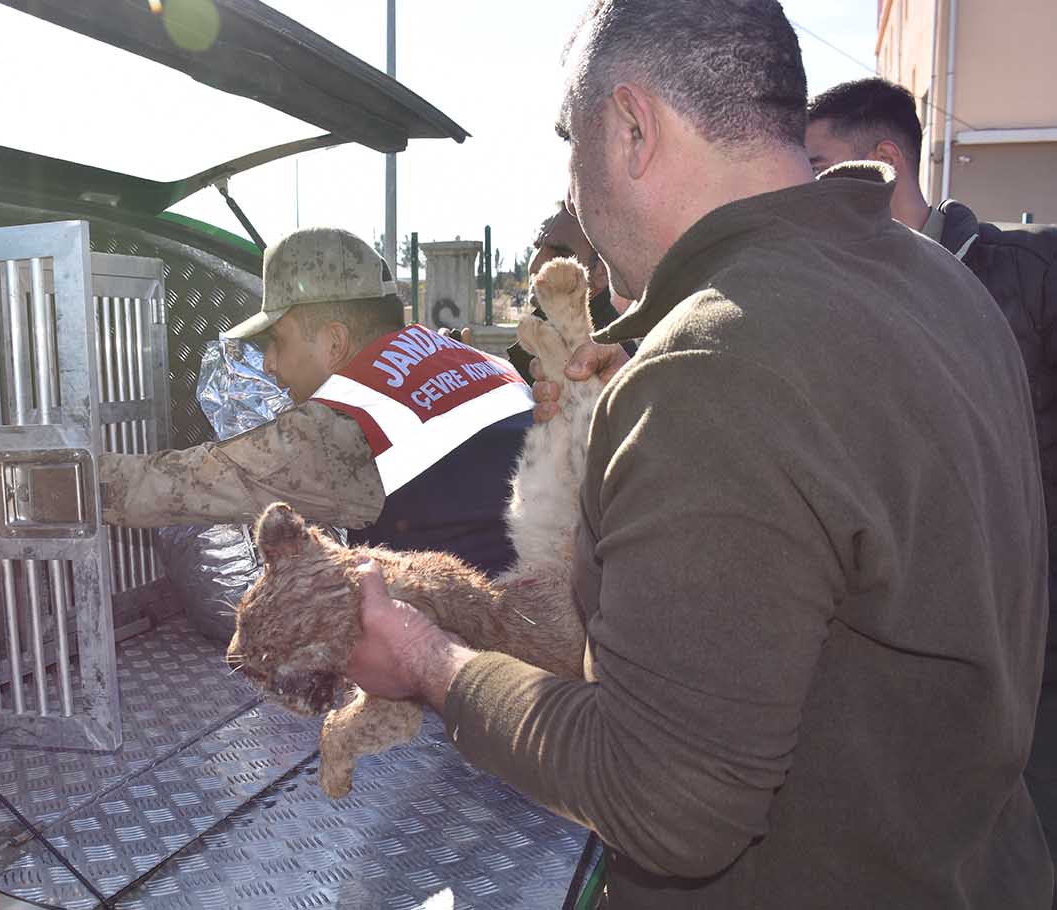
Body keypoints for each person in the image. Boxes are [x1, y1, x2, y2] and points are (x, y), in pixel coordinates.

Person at [344, 1, 1053, 906]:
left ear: (633, 129)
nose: (572, 195)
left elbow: (664, 802)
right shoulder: (938, 281)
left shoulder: (714, 366)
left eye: (572, 143)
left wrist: (429, 665)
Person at [807, 75, 1057, 880]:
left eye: (817, 168)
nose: (798, 192)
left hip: (1039, 652)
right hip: (931, 671)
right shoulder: (834, 304)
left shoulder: (1028, 274)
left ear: (882, 164)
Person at [99, 226, 536, 577]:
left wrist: (58, 477)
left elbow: (180, 485)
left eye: (277, 341)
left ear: (334, 341)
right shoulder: (479, 362)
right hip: (549, 615)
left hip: (474, 652)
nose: (268, 364)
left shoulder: (347, 424)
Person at [505, 204, 635, 379]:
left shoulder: (610, 359)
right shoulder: (549, 329)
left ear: (601, 271)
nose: (536, 265)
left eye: (559, 253)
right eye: (537, 247)